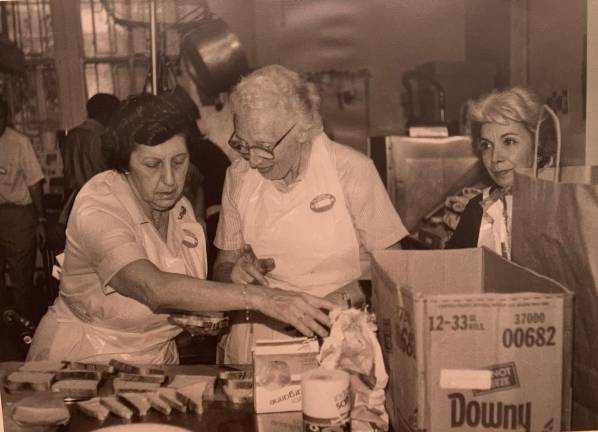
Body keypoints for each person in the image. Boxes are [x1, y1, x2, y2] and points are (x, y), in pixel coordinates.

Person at [27, 91, 336, 365]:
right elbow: (154, 289)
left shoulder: (182, 211)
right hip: (83, 362)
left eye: (178, 161)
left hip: (155, 365)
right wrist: (264, 299)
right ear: (124, 163)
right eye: (152, 165)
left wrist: (233, 277)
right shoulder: (98, 205)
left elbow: (184, 295)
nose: (170, 180)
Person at [213, 65, 408, 364]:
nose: (252, 160)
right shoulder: (237, 177)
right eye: (242, 144)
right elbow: (222, 267)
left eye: (265, 147)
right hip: (256, 343)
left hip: (335, 337)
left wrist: (324, 305)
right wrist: (232, 273)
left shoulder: (351, 171)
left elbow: (394, 271)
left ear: (303, 130)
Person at [445, 87, 554, 258]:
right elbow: (450, 273)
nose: (495, 158)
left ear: (537, 146)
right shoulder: (478, 209)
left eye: (509, 141)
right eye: (486, 145)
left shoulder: (563, 207)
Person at [0, 98, 47, 324]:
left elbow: (34, 183)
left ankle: (24, 331)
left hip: (18, 217)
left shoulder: (19, 142)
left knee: (21, 281)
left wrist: (40, 219)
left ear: (6, 116)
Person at [61, 93, 120, 200]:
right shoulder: (103, 136)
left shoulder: (72, 134)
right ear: (106, 114)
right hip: (99, 197)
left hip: (75, 198)